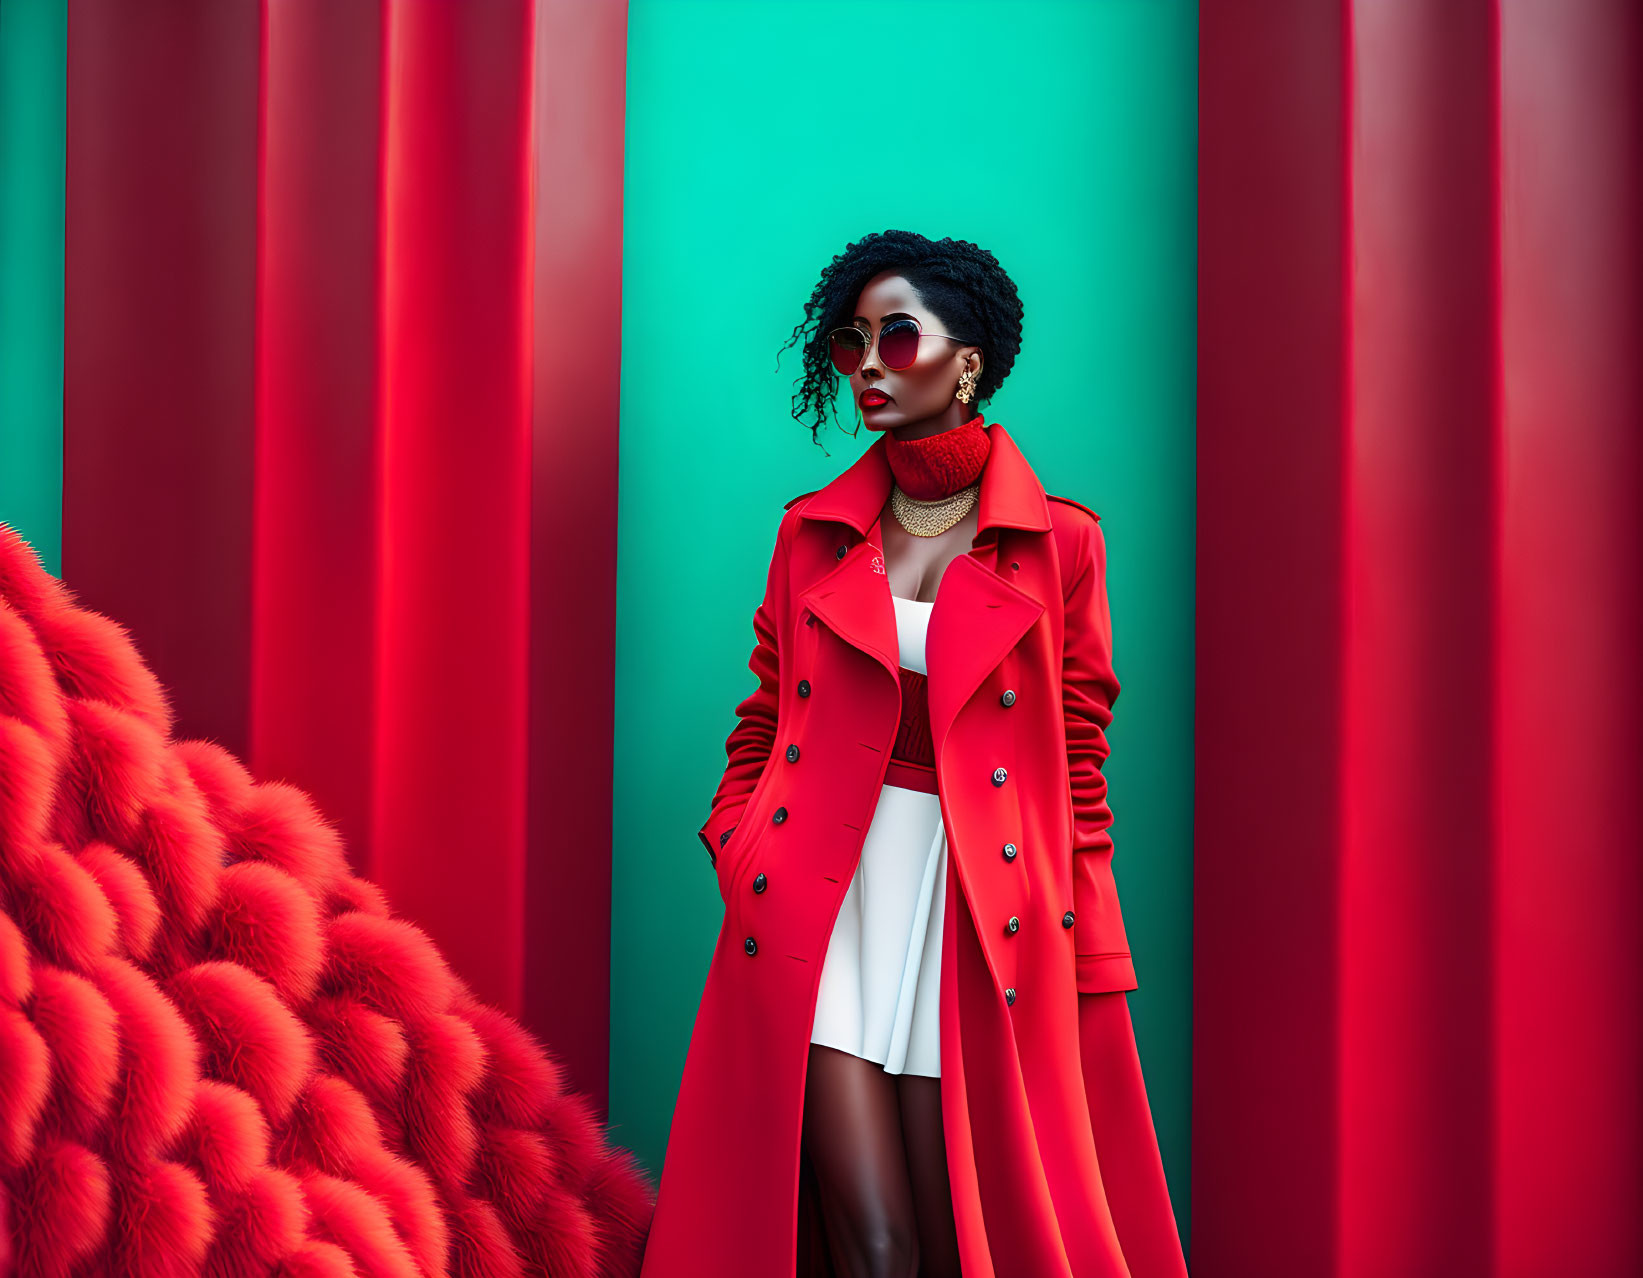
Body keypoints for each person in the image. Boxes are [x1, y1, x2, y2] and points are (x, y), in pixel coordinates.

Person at [640, 231, 1187, 1278]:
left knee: (956, 1241)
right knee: (872, 1247)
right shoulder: (812, 532)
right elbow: (764, 713)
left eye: (897, 336)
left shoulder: (1058, 543)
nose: (870, 366)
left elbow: (1077, 755)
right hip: (821, 893)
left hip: (979, 907)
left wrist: (1085, 940)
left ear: (967, 363)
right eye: (852, 345)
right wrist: (739, 845)